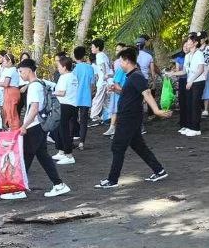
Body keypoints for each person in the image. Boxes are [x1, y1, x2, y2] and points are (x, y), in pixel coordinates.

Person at [95, 47, 172, 189]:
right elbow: (130, 93)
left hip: (129, 118)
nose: (119, 65)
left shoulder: (137, 76)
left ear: (126, 61)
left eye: (120, 62)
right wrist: (117, 90)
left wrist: (157, 111)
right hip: (130, 116)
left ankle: (112, 180)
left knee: (118, 147)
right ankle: (159, 170)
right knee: (138, 145)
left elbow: (147, 93)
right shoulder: (132, 77)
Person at [15, 57, 70, 199]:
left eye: (21, 71)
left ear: (28, 70)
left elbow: (34, 109)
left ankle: (19, 189)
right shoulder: (39, 84)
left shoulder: (34, 86)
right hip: (39, 125)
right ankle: (59, 184)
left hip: (34, 125)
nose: (20, 74)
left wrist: (24, 126)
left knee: (27, 155)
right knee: (42, 156)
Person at [178, 34, 209, 136]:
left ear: (195, 43)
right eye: (187, 42)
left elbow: (200, 70)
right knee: (189, 104)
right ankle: (189, 126)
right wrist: (171, 73)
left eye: (189, 41)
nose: (187, 43)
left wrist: (191, 80)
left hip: (198, 82)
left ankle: (196, 128)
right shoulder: (187, 56)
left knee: (195, 104)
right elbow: (184, 71)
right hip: (189, 82)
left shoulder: (199, 54)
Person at [51, 53, 78, 164]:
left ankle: (69, 155)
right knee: (60, 129)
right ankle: (62, 151)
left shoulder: (64, 77)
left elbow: (61, 93)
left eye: (59, 67)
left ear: (64, 67)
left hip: (64, 105)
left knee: (63, 130)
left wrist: (51, 93)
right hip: (72, 105)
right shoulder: (73, 76)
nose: (58, 69)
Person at [70, 46, 95, 148]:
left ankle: (70, 141)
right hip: (86, 97)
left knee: (72, 119)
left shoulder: (74, 69)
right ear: (84, 55)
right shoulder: (90, 68)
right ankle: (81, 142)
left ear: (75, 56)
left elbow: (72, 84)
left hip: (75, 98)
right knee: (84, 120)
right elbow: (92, 84)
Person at [0, 50, 22, 130]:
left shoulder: (10, 70)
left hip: (11, 92)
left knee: (11, 112)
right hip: (10, 91)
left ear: (9, 61)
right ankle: (12, 128)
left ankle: (14, 130)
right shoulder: (11, 69)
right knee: (9, 111)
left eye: (4, 61)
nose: (2, 63)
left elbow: (5, 84)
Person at [90, 39, 112, 124]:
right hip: (106, 80)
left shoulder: (99, 55)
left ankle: (94, 116)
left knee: (98, 98)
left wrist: (105, 77)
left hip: (103, 81)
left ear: (97, 47)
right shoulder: (103, 55)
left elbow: (103, 67)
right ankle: (107, 116)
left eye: (92, 47)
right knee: (106, 99)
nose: (91, 48)